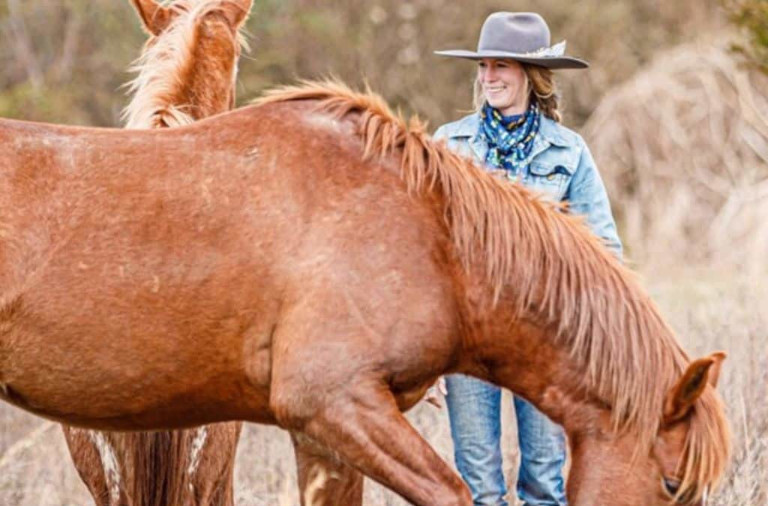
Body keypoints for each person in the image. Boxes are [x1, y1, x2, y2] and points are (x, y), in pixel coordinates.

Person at [432, 12, 623, 506]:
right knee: (478, 485)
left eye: (502, 66)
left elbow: (604, 251)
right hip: (469, 341)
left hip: (544, 339)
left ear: (530, 76)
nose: (489, 76)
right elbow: (423, 255)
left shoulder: (569, 152)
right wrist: (427, 359)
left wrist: (597, 344)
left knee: (544, 481)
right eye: (484, 66)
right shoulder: (448, 147)